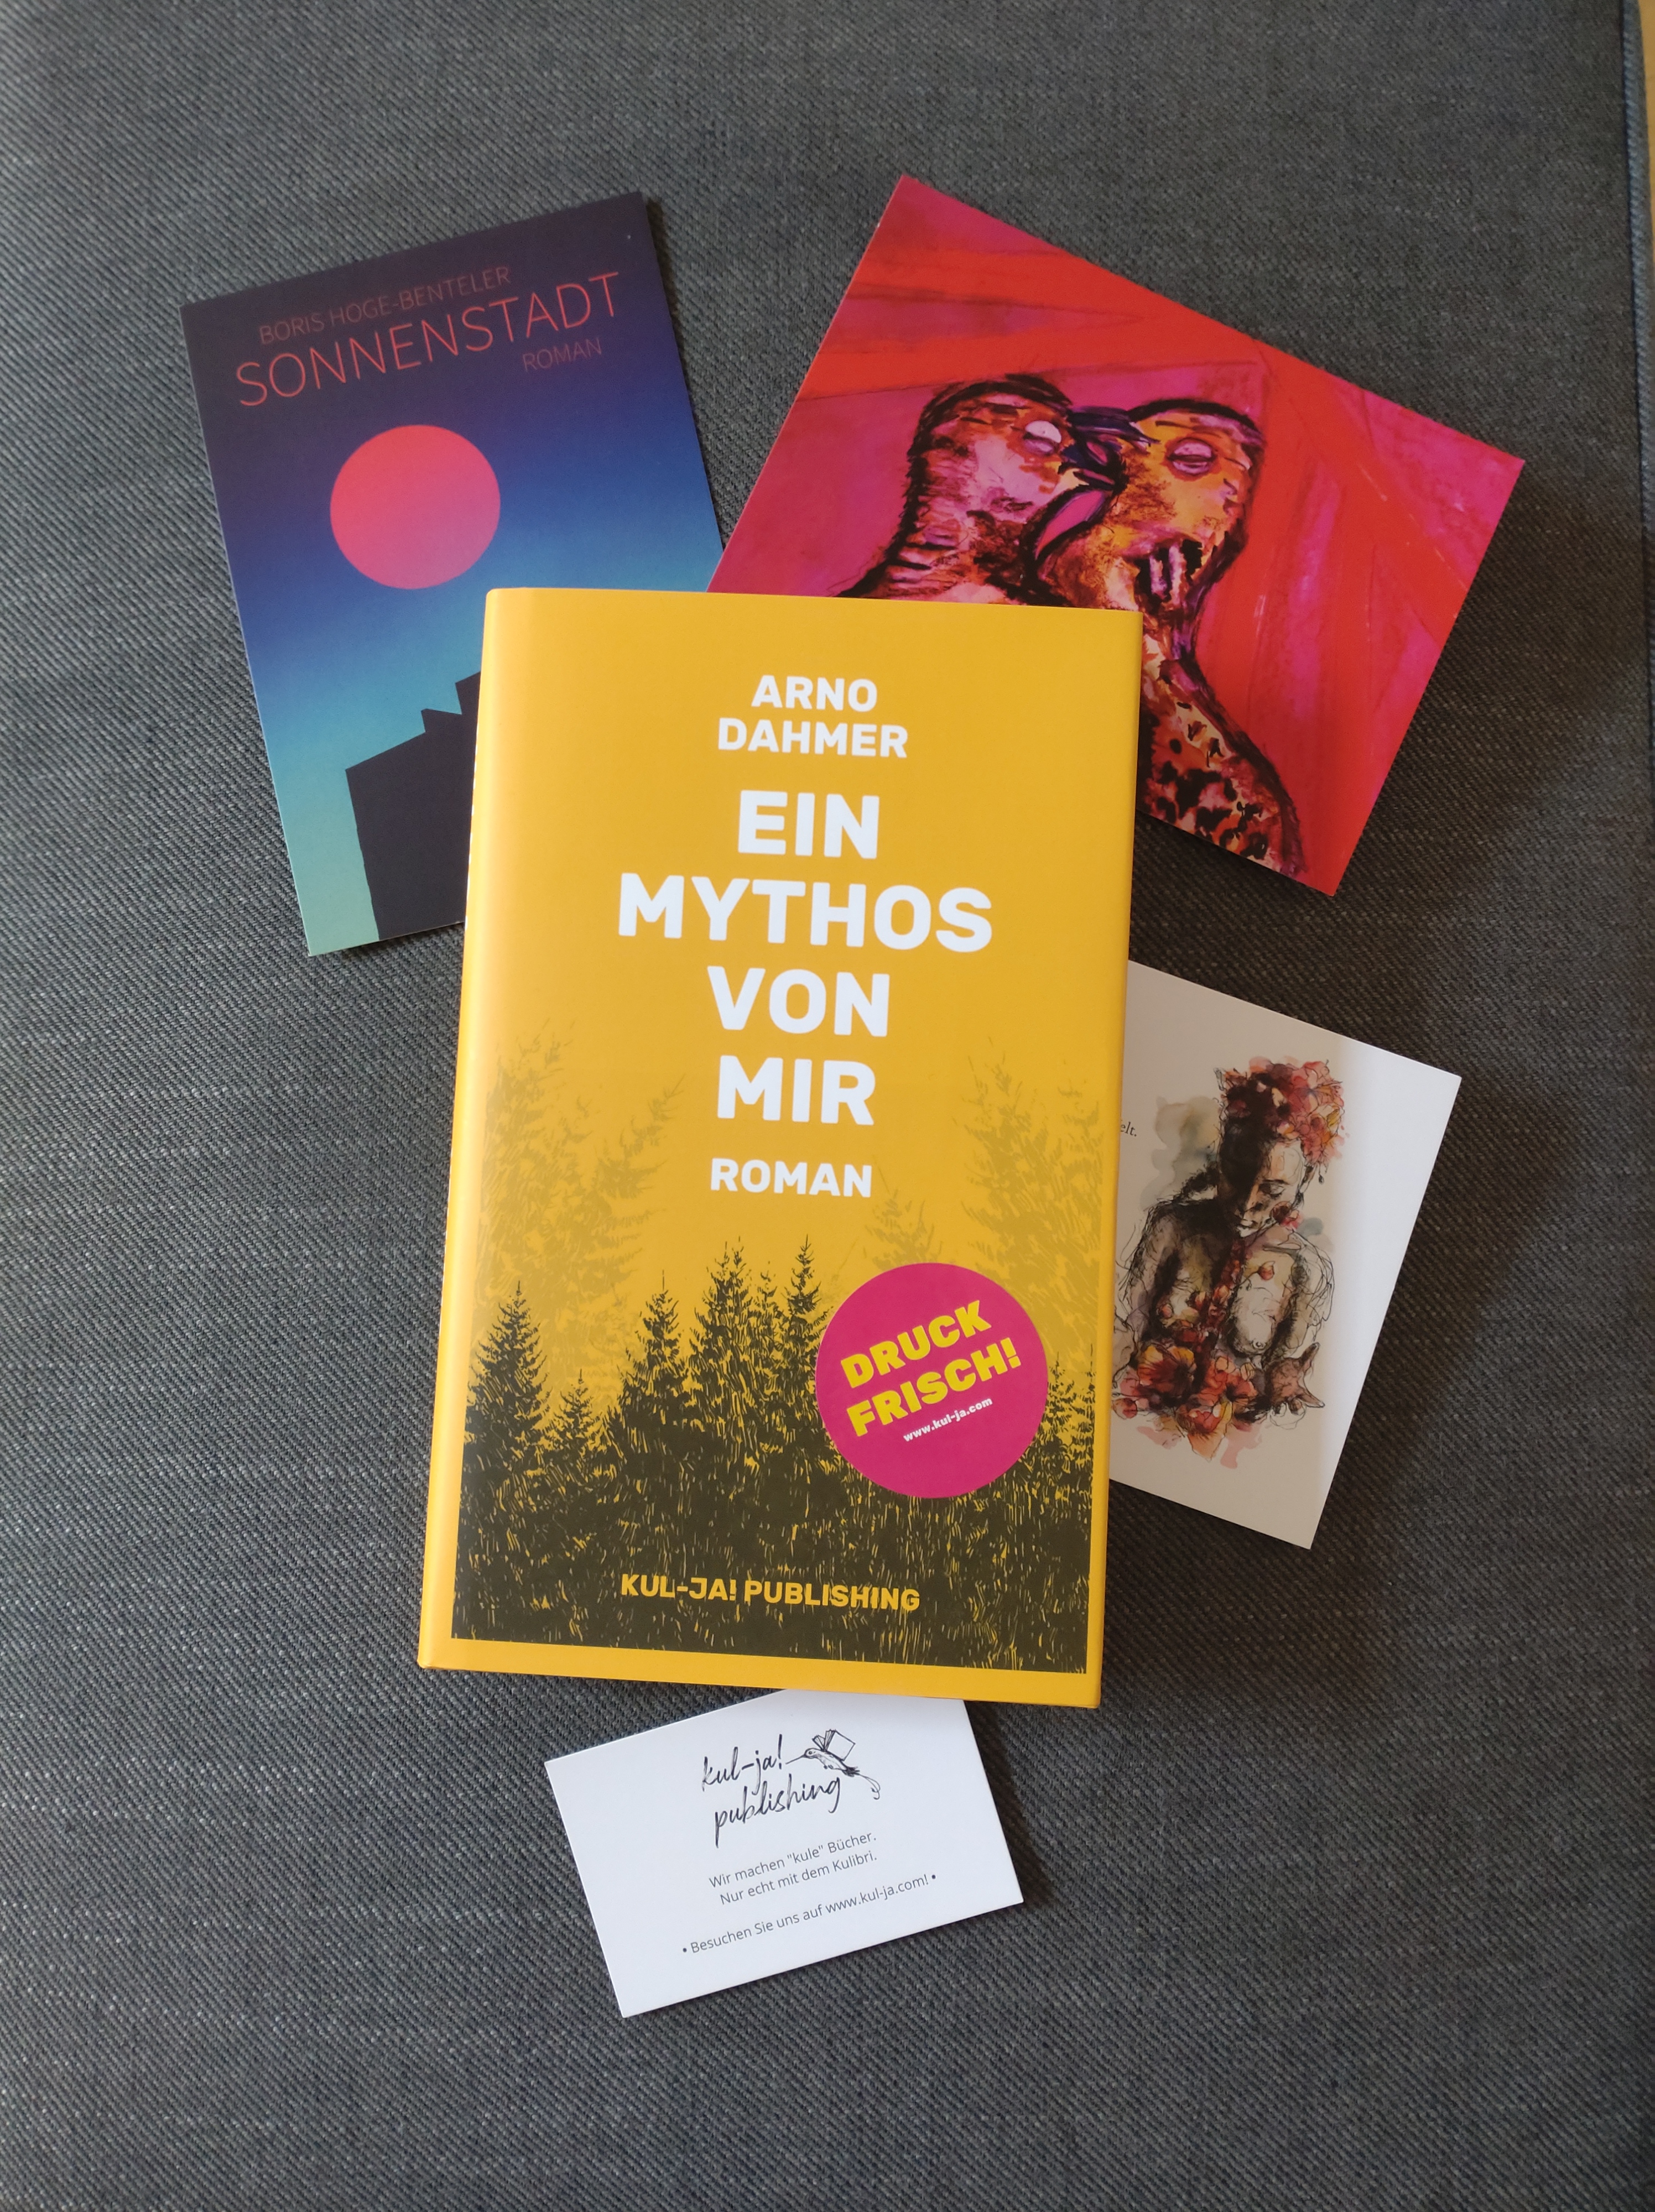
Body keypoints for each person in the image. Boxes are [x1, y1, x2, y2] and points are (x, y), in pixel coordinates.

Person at [1113, 1058, 1342, 1457]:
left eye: (1272, 1191)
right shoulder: (1173, 1227)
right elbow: (1124, 1326)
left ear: (1304, 1181)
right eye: (1236, 1175)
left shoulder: (1307, 1271)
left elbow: (1278, 1382)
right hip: (1136, 1429)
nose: (1246, 1204)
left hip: (1227, 1451)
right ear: (1220, 1159)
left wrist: (1282, 1383)